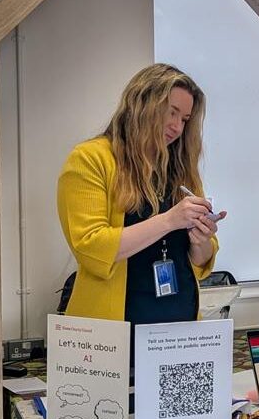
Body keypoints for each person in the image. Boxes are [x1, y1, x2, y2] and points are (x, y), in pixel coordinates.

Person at [57, 64, 226, 357]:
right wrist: (169, 220)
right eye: (171, 112)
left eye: (185, 119)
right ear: (142, 103)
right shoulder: (90, 159)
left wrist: (201, 240)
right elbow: (91, 246)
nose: (177, 126)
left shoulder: (179, 169)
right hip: (113, 338)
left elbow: (199, 261)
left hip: (179, 332)